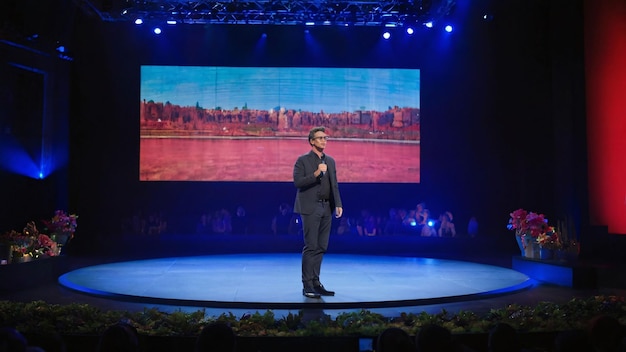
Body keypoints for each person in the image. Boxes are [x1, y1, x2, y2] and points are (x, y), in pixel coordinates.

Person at [293, 126, 343, 299]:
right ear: (312, 141)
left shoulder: (330, 161)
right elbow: (298, 182)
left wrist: (338, 203)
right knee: (311, 246)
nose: (324, 140)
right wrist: (315, 174)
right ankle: (307, 285)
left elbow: (334, 184)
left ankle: (316, 282)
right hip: (310, 207)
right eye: (320, 138)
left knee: (322, 246)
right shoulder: (303, 160)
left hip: (326, 207)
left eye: (325, 138)